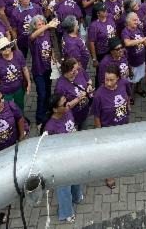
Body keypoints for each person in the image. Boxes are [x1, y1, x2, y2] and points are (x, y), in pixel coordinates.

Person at [43, 92, 83, 223]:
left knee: (77, 176)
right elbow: (48, 149)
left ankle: (77, 196)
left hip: (74, 153)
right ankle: (66, 212)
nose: (68, 105)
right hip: (61, 161)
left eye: (67, 101)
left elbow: (72, 127)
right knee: (64, 187)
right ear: (55, 109)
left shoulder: (67, 112)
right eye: (64, 104)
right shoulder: (50, 127)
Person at [92, 66, 130, 190]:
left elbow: (128, 95)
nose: (108, 83)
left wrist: (128, 106)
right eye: (106, 79)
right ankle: (109, 175)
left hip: (123, 126)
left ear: (118, 79)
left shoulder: (124, 83)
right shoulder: (99, 95)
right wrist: (100, 133)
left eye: (111, 80)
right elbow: (96, 117)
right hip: (108, 130)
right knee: (108, 155)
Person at [0, 37, 31, 112]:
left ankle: (21, 121)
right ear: (0, 51)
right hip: (5, 92)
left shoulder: (18, 54)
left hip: (19, 89)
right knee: (7, 110)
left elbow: (24, 68)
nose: (6, 49)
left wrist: (29, 82)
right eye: (3, 48)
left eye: (7, 46)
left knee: (20, 107)